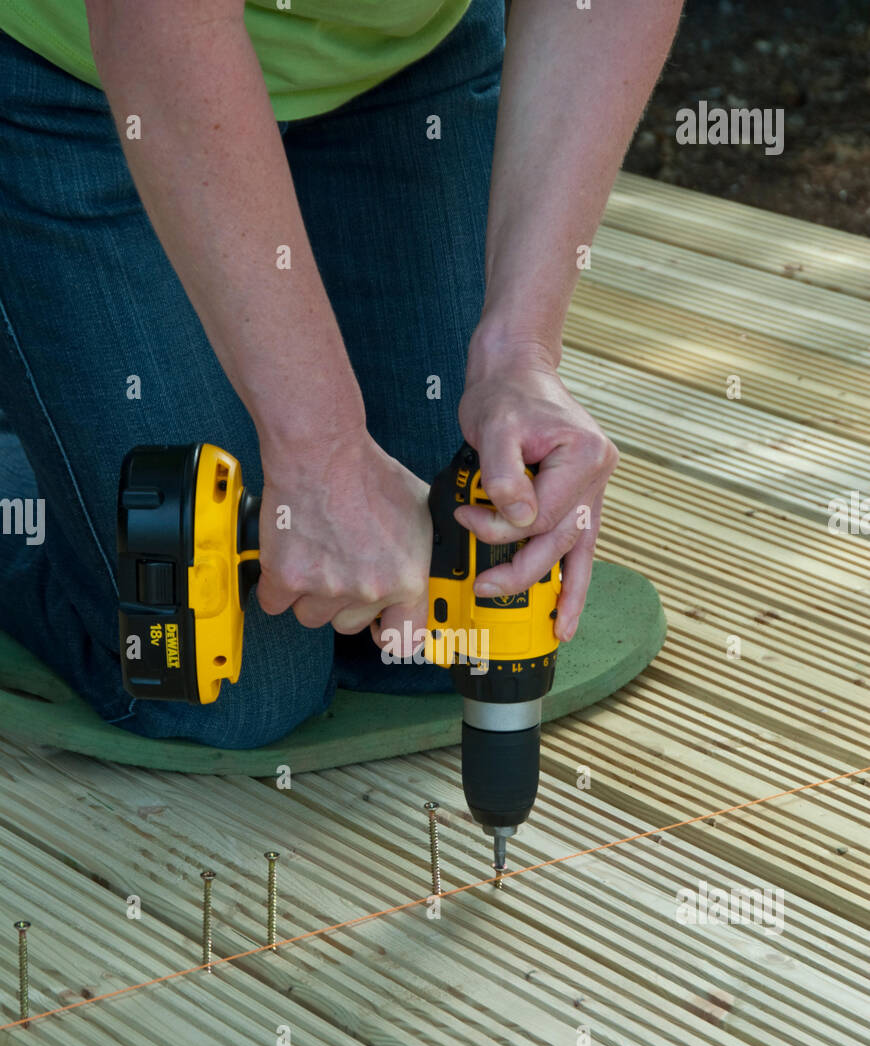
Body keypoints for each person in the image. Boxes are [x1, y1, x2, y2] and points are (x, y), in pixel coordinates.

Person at [0, 0, 682, 749]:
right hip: (86, 74)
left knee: (440, 624)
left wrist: (520, 354)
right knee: (226, 679)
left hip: (395, 63)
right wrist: (321, 452)